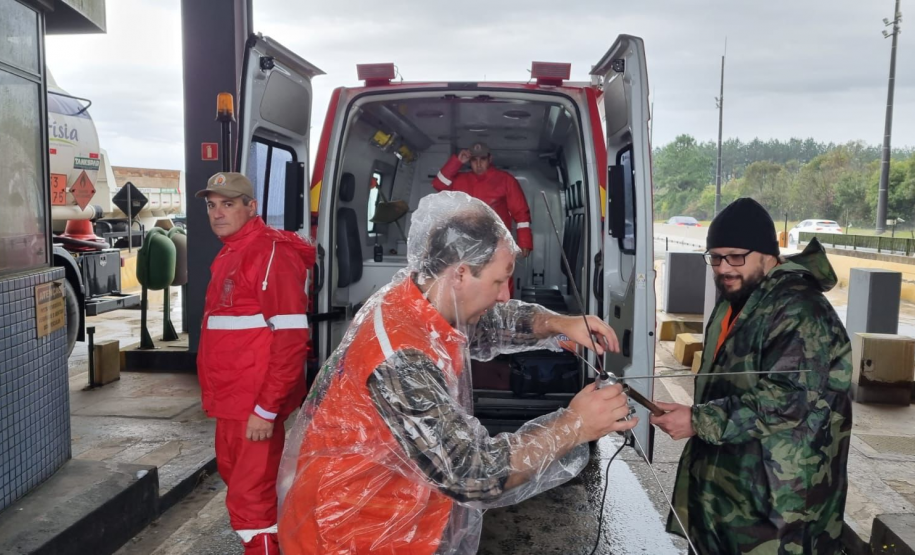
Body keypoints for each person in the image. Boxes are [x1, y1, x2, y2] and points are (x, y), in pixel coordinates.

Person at [276, 191, 635, 554]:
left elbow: (494, 324)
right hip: (348, 536)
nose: (502, 295)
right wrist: (575, 425)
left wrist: (558, 324)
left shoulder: (421, 299)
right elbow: (471, 472)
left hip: (389, 522)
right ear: (460, 272)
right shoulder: (399, 357)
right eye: (498, 282)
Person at [650, 198, 852, 554]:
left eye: (736, 256)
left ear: (767, 254)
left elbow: (791, 398)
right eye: (715, 257)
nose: (724, 268)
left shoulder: (800, 310)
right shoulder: (737, 300)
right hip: (731, 497)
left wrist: (699, 421)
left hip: (779, 510)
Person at [196, 172, 316, 555]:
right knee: (245, 491)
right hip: (232, 402)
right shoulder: (233, 250)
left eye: (228, 204)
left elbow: (292, 340)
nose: (217, 213)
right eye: (212, 206)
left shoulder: (270, 255)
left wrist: (266, 409)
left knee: (252, 502)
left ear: (252, 207)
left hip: (252, 404)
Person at [432, 142, 533, 259]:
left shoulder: (505, 180)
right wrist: (457, 161)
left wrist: (524, 242)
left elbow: (521, 213)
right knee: (466, 276)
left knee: (499, 276)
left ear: (490, 158)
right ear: (470, 161)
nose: (478, 164)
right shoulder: (460, 180)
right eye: (474, 160)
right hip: (466, 245)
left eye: (483, 159)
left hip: (497, 244)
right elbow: (438, 184)